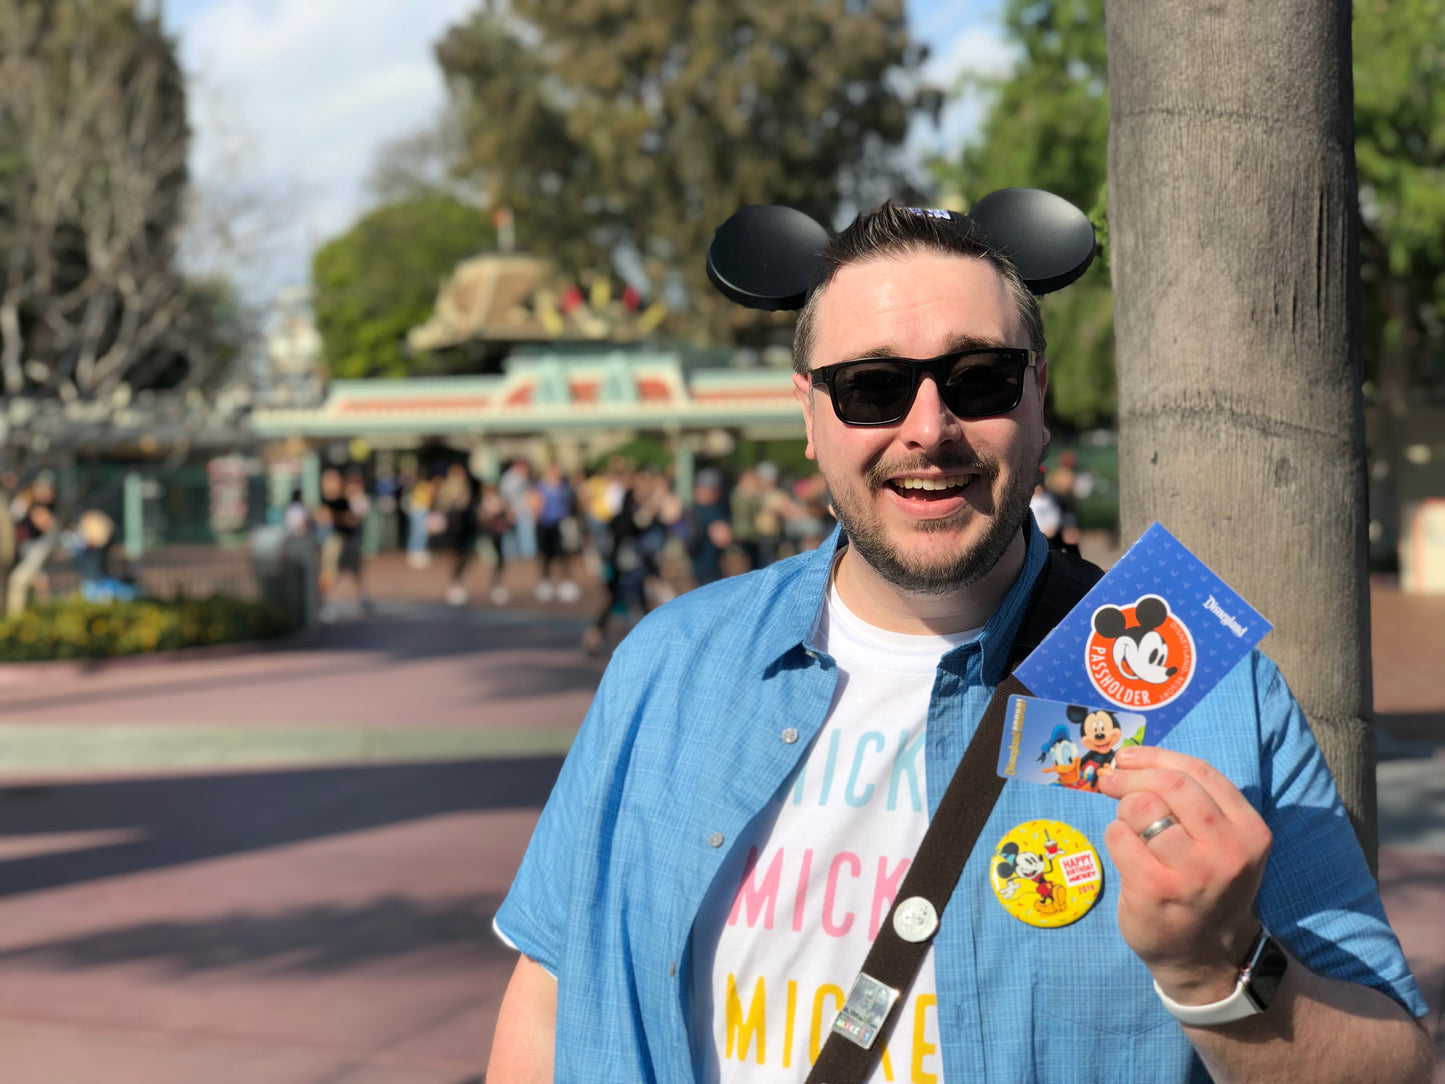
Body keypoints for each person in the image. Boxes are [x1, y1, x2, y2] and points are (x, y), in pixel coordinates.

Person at [487, 204, 1431, 1083]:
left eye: (979, 379)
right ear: (807, 416)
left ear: (1038, 400)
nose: (928, 429)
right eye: (871, 388)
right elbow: (550, 995)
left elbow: (1393, 1060)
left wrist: (1214, 970)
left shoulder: (1211, 692)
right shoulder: (669, 662)